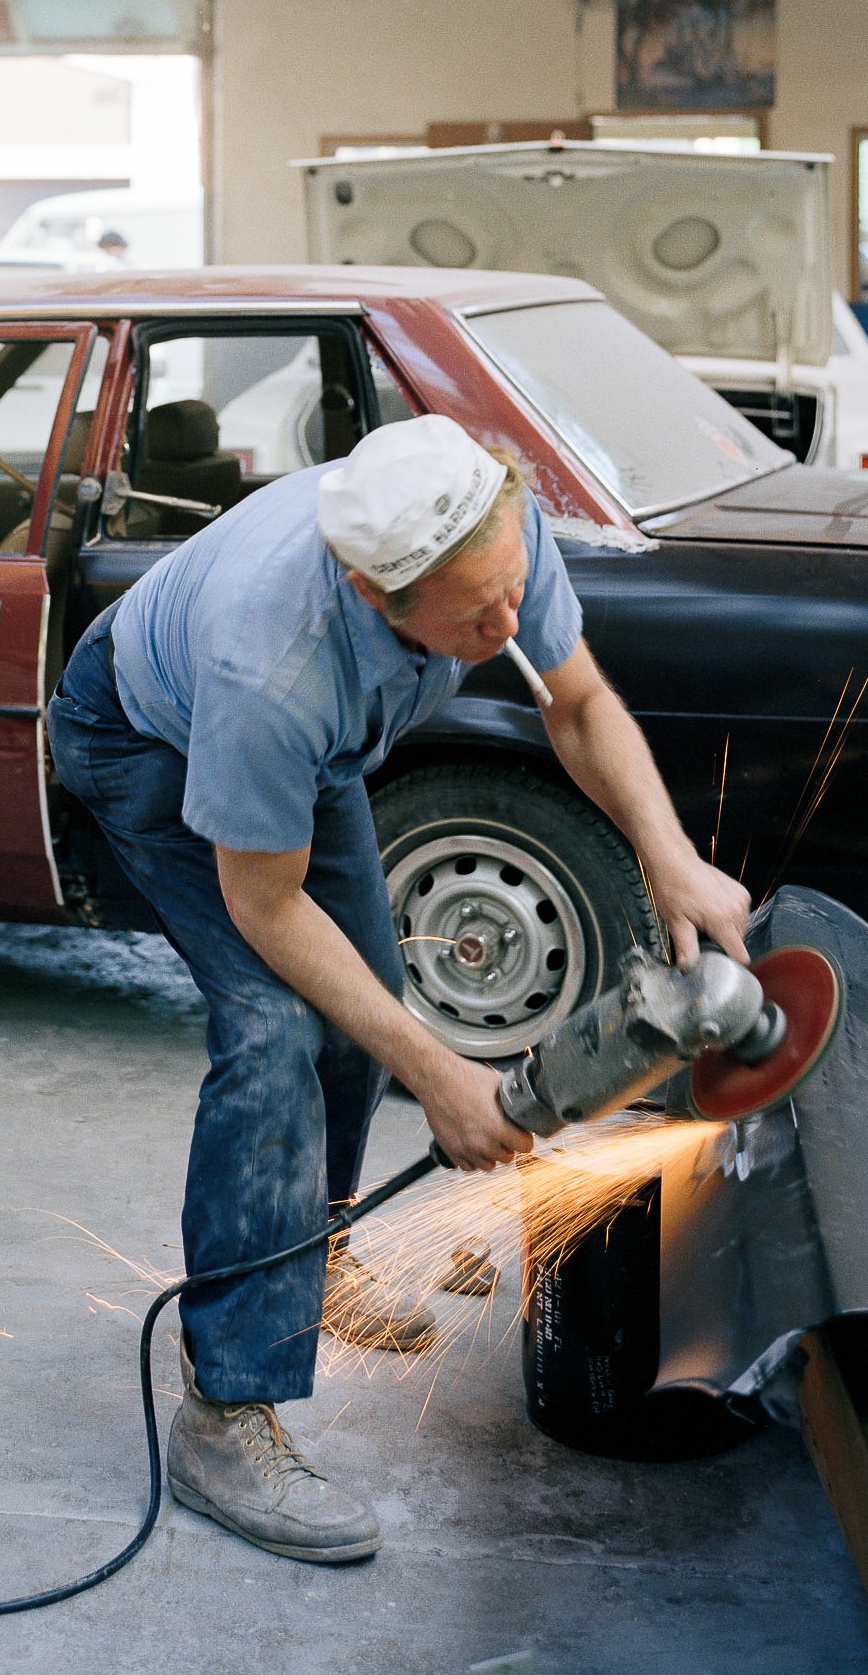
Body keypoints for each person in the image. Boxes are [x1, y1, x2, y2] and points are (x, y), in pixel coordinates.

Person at [45, 413, 751, 1564]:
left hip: (303, 751)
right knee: (276, 1024)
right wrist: (440, 1071)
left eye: (510, 587)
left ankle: (316, 1255)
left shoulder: (485, 525)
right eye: (473, 616)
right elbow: (264, 907)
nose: (505, 624)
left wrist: (667, 853)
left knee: (362, 1001)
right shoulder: (268, 659)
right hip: (143, 738)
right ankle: (225, 1410)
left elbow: (574, 704)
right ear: (377, 596)